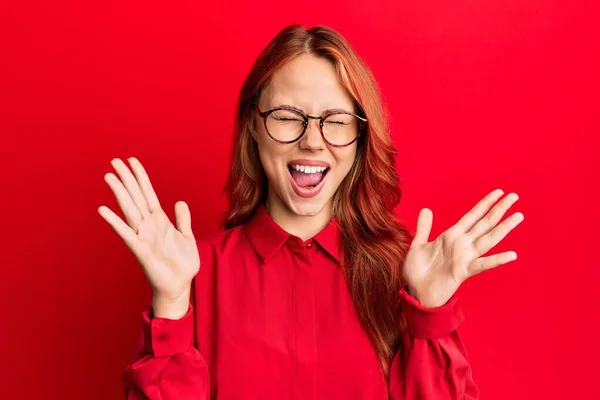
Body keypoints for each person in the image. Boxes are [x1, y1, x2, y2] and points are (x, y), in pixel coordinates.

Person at [98, 24, 524, 400]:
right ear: (254, 127)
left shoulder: (406, 278)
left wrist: (429, 313)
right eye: (288, 117)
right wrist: (171, 303)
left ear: (360, 136)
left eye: (336, 120)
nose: (313, 141)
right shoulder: (193, 275)